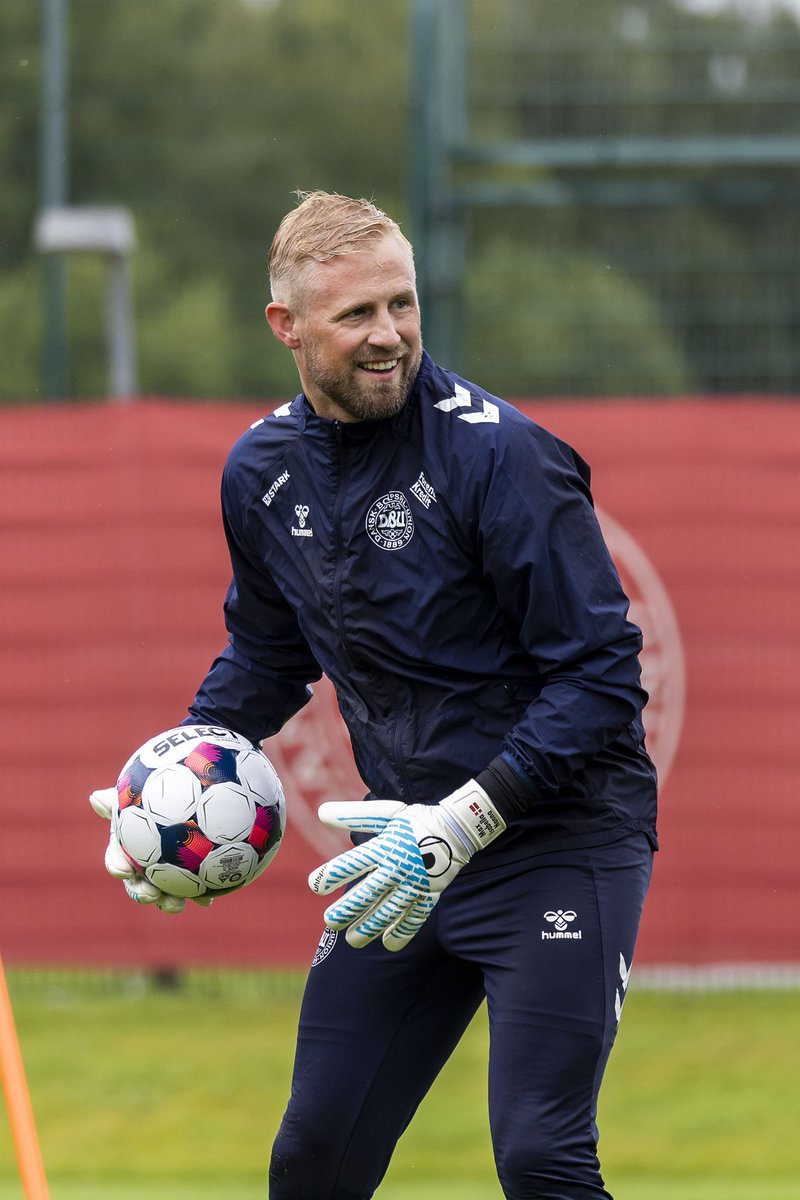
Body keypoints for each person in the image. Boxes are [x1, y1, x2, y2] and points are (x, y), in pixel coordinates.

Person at [93, 190, 658, 1200]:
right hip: (398, 862)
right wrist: (173, 770)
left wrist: (462, 821)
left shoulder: (501, 456)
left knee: (540, 1156)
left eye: (400, 304)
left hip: (554, 843)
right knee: (312, 1161)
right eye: (356, 314)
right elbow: (266, 655)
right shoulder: (260, 472)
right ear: (287, 327)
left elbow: (602, 675)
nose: (388, 334)